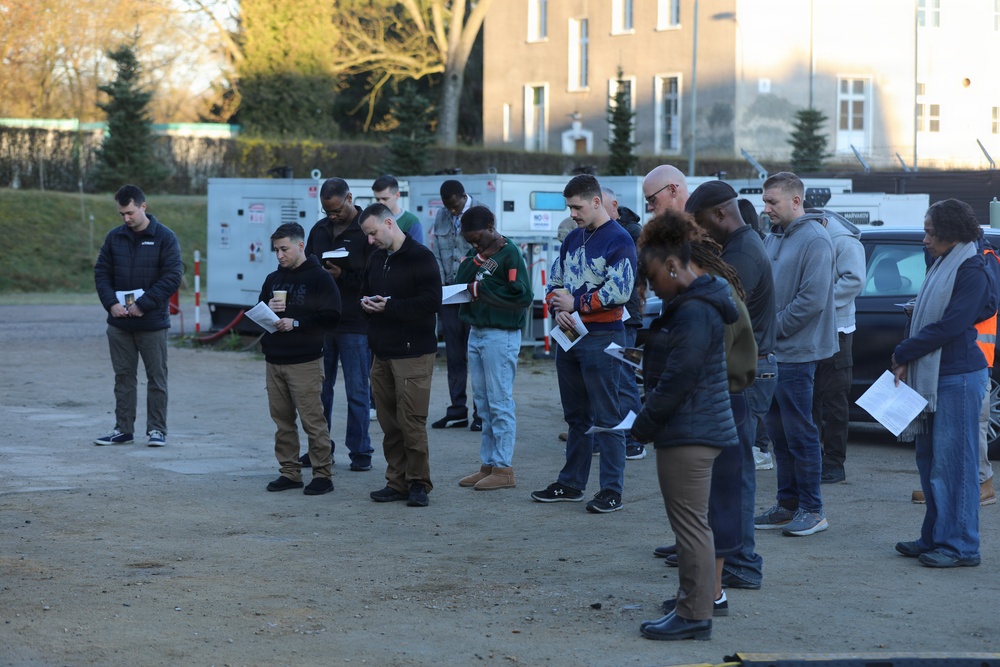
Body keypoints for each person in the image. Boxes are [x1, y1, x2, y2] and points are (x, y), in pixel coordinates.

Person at [632, 210, 739, 642]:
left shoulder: (695, 311)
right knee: (694, 524)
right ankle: (691, 608)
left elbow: (681, 376)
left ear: (673, 265)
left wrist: (642, 423)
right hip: (695, 425)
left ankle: (695, 615)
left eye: (654, 276)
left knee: (691, 527)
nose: (653, 286)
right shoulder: (697, 305)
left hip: (690, 429)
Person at [892, 200, 995, 567]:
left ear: (950, 233)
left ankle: (961, 546)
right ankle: (935, 536)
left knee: (955, 466)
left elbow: (952, 324)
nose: (924, 239)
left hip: (958, 378)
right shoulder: (943, 263)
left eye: (930, 231)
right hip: (936, 377)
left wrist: (904, 351)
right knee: (930, 461)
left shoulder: (973, 269)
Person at [685, 180, 776, 590]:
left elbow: (724, 317)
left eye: (702, 224)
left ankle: (741, 561)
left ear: (721, 214)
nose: (701, 233)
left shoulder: (741, 252)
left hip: (745, 372)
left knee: (733, 477)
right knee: (730, 475)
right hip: (745, 367)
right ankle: (730, 558)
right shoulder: (744, 244)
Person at [531, 174, 636, 513]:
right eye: (569, 207)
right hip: (571, 336)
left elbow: (619, 291)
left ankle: (611, 491)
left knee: (607, 416)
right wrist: (556, 306)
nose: (572, 213)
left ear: (596, 202)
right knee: (577, 416)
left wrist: (575, 305)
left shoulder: (619, 240)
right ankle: (572, 483)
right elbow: (556, 281)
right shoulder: (573, 238)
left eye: (577, 207)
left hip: (604, 337)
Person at [754, 172, 837, 537]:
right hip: (772, 354)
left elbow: (811, 302)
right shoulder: (773, 237)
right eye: (765, 200)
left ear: (796, 201)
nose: (766, 207)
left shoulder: (816, 240)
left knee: (800, 432)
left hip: (798, 354)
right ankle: (787, 505)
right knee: (778, 433)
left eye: (772, 201)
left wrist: (769, 329)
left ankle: (812, 509)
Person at [360, 202, 442, 508]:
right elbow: (364, 292)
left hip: (413, 354)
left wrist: (389, 308)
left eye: (373, 233)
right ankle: (396, 482)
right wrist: (365, 306)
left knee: (411, 422)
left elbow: (432, 302)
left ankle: (419, 483)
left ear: (389, 224)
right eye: (367, 236)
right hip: (382, 352)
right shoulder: (376, 258)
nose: (370, 241)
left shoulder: (421, 257)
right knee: (389, 423)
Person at [94, 185, 183, 447]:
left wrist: (143, 305)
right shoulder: (114, 237)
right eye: (121, 214)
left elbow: (172, 277)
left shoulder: (165, 237)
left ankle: (157, 430)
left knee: (156, 378)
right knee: (123, 377)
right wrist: (111, 304)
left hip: (151, 322)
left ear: (143, 206)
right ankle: (123, 429)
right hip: (119, 323)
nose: (126, 218)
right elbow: (101, 273)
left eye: (130, 212)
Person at [258, 223, 342, 495]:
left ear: (300, 245)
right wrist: (268, 309)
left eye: (284, 249)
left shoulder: (319, 278)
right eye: (276, 250)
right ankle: (290, 472)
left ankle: (323, 475)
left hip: (304, 361)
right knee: (282, 422)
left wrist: (296, 323)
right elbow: (260, 310)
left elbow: (331, 316)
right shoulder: (273, 279)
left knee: (313, 421)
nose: (280, 255)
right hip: (275, 360)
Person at [454, 206, 534, 490]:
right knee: (484, 404)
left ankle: (504, 468)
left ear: (491, 225)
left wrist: (482, 291)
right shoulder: (483, 254)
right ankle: (488, 464)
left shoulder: (510, 252)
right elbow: (459, 280)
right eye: (470, 242)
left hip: (501, 334)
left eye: (478, 238)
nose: (475, 244)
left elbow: (523, 295)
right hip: (477, 332)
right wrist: (479, 256)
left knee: (500, 402)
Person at [304, 177, 375, 472]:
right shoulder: (319, 230)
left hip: (355, 322)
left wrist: (341, 277)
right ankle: (321, 450)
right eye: (326, 212)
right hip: (323, 322)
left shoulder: (366, 230)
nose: (331, 216)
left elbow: (374, 277)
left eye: (336, 211)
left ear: (349, 199)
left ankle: (360, 452)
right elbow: (305, 265)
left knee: (358, 391)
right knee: (321, 391)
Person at [809, 209, 865, 484]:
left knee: (833, 399)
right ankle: (813, 457)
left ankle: (833, 462)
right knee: (810, 398)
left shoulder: (844, 241)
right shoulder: (813, 235)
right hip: (810, 330)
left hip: (837, 331)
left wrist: (816, 304)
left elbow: (855, 280)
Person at [431, 179, 485, 431]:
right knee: (454, 356)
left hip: (474, 296)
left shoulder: (480, 213)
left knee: (476, 356)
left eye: (454, 206)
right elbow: (436, 252)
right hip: (449, 296)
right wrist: (442, 285)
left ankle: (481, 414)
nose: (452, 211)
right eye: (447, 207)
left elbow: (488, 253)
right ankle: (457, 411)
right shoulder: (441, 216)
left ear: (464, 197)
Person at [602, 185, 646, 461]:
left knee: (626, 377)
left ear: (613, 206)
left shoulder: (630, 235)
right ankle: (610, 434)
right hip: (607, 317)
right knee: (607, 377)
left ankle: (633, 440)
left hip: (626, 318)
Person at [372, 174, 424, 246]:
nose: (380, 202)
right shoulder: (372, 220)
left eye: (385, 199)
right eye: (377, 199)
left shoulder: (411, 222)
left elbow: (418, 253)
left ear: (397, 195)